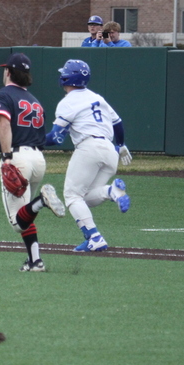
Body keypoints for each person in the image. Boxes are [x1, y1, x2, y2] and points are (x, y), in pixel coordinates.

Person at [44, 59, 132, 252]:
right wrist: (121, 144)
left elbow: (54, 138)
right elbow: (118, 123)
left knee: (72, 196)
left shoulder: (67, 102)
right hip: (110, 151)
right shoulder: (97, 98)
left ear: (66, 77)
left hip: (88, 147)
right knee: (87, 198)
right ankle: (112, 192)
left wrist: (32, 142)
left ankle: (94, 237)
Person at [0, 53, 66, 272]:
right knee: (26, 212)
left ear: (9, 72)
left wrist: (6, 158)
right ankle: (36, 261)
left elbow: (3, 125)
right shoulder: (34, 100)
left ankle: (43, 200)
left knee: (17, 222)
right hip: (38, 159)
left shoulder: (1, 96)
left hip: (18, 157)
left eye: (6, 69)